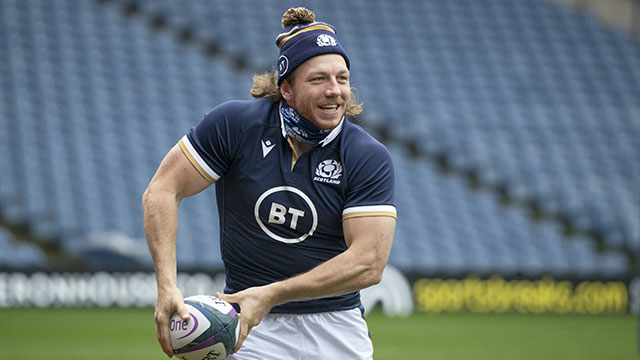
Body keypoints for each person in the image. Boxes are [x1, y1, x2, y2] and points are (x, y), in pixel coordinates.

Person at [143, 7, 396, 359]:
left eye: (342, 78)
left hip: (336, 328)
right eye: (318, 79)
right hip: (249, 327)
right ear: (286, 88)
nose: (335, 91)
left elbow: (369, 262)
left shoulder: (367, 155)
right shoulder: (234, 125)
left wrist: (272, 294)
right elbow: (163, 190)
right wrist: (167, 286)